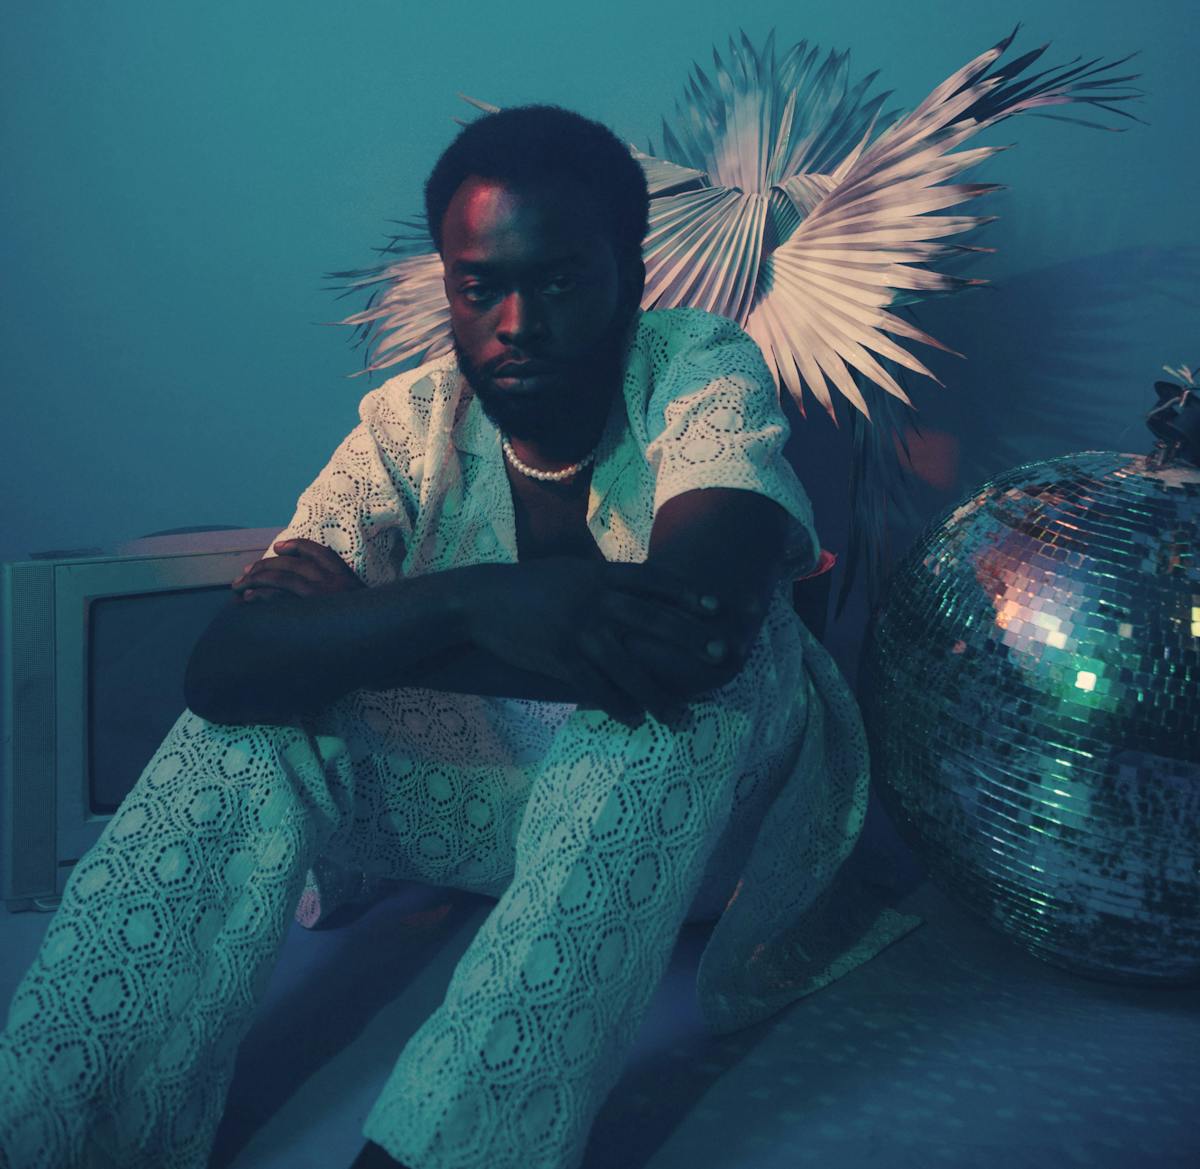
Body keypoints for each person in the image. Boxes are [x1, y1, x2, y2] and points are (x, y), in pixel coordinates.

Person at [0, 104, 918, 1169]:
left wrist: (359, 627)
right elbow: (226, 668)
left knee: (685, 700)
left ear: (628, 275)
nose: (515, 323)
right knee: (249, 723)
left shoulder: (700, 366)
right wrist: (476, 601)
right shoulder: (410, 421)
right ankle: (61, 1124)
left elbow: (694, 641)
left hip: (698, 840)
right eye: (479, 288)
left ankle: (445, 1150)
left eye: (558, 282)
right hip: (482, 810)